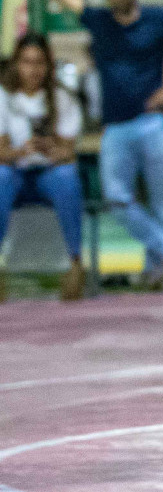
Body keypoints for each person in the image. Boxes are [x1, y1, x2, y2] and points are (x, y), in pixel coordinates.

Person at [52, 0, 163, 290]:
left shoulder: (157, 18)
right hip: (116, 126)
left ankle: (156, 271)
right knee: (116, 197)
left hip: (153, 121)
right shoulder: (98, 20)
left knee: (161, 200)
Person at [0, 34, 87, 302]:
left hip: (49, 173)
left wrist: (51, 149)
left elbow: (69, 152)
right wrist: (21, 151)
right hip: (16, 171)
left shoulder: (62, 98)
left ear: (48, 65)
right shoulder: (4, 97)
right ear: (16, 64)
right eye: (27, 62)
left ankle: (74, 262)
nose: (33, 70)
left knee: (67, 177)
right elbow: (2, 152)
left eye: (39, 63)